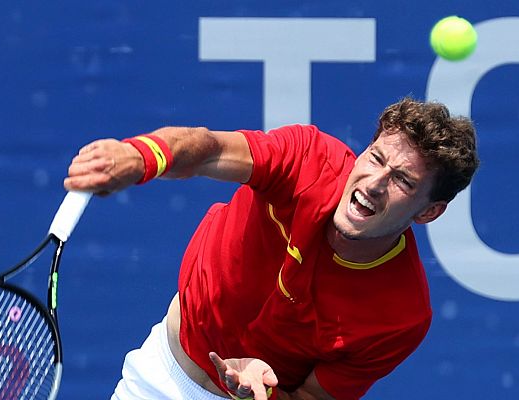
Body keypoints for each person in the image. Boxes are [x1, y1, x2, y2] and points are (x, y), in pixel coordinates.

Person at [64, 96, 479, 400]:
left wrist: (260, 393)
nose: (373, 183)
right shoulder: (307, 160)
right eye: (375, 158)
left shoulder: (401, 315)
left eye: (402, 180)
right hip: (161, 374)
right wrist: (140, 156)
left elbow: (315, 398)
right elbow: (210, 149)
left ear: (429, 212)